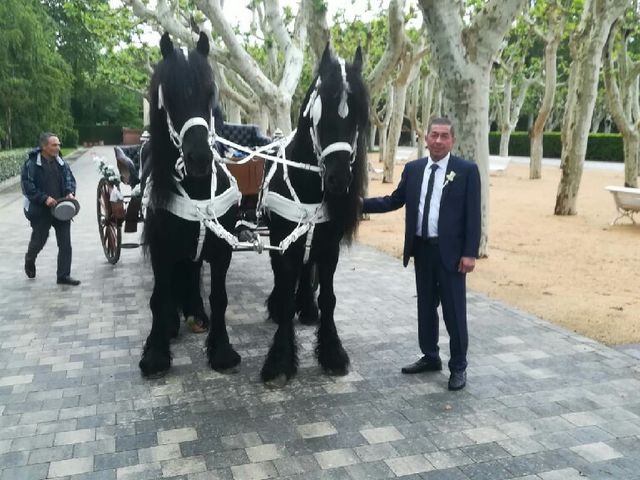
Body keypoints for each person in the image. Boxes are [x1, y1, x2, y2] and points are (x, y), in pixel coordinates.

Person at [362, 117, 481, 391]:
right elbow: (394, 200)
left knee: (454, 312)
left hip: (451, 255)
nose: (438, 141)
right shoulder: (414, 169)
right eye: (434, 135)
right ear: (425, 138)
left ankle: (458, 366)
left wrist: (469, 253)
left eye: (444, 136)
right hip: (422, 250)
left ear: (452, 140)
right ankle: (430, 356)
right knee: (425, 308)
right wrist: (359, 205)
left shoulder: (466, 171)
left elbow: (473, 215)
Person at [21, 132, 81, 286]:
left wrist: (69, 192)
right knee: (39, 241)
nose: (58, 147)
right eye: (54, 145)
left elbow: (70, 179)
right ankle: (30, 259)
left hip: (61, 208)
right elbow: (28, 187)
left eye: (59, 144)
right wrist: (44, 198)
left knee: (65, 244)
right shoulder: (31, 164)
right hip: (40, 210)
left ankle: (63, 276)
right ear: (44, 147)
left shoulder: (61, 162)